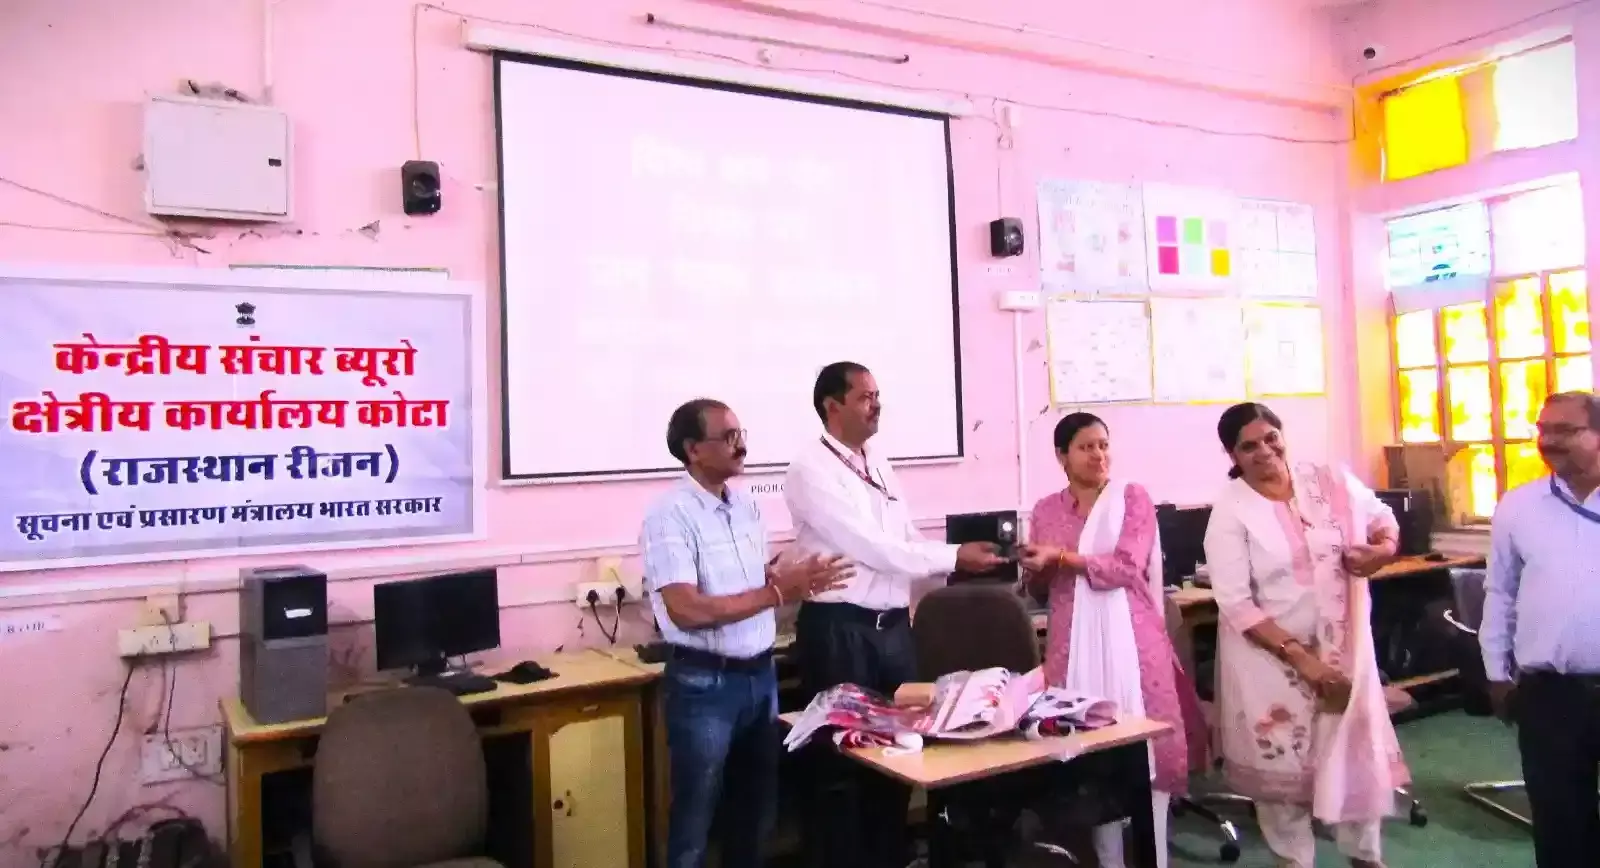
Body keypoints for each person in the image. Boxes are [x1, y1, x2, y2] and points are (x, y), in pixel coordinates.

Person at [785, 361, 1006, 868]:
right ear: (832, 406)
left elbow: (904, 537)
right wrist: (953, 557)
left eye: (878, 395)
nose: (877, 405)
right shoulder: (809, 469)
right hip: (841, 631)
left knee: (901, 754)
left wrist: (960, 564)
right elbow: (872, 547)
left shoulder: (877, 459)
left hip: (892, 632)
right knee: (843, 765)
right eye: (865, 397)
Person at [640, 398, 854, 868]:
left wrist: (789, 575)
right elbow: (685, 609)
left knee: (756, 813)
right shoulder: (669, 515)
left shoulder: (746, 505)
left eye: (741, 435)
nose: (742, 446)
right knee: (696, 820)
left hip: (761, 676)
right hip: (705, 684)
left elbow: (750, 581)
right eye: (729, 437)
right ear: (693, 449)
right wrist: (777, 592)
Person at [1202, 402, 1409, 868]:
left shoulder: (1326, 479)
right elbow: (1236, 604)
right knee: (1284, 779)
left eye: (1270, 438)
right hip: (1271, 662)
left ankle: (1366, 857)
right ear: (1232, 454)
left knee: (1355, 760)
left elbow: (1382, 518)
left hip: (1345, 652)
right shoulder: (1232, 510)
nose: (1264, 451)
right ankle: (1293, 860)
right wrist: (1304, 661)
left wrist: (1382, 551)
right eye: (1248, 446)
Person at [1017, 412, 1205, 868]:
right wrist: (1034, 570)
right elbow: (1042, 591)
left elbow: (1124, 567)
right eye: (1086, 447)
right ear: (1062, 456)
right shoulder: (1045, 510)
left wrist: (1061, 557)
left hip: (1135, 645)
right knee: (1091, 753)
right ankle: (1109, 860)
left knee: (1148, 751)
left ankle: (1155, 856)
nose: (1098, 455)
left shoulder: (1131, 498)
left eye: (1103, 444)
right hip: (1070, 644)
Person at [1480, 391, 1600, 868]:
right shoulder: (1519, 506)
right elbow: (1500, 592)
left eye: (1565, 430)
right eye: (1542, 430)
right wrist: (1495, 672)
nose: (1548, 441)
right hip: (1551, 694)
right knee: (1560, 826)